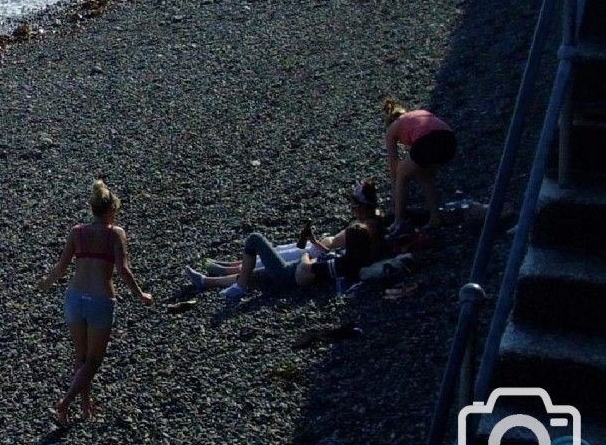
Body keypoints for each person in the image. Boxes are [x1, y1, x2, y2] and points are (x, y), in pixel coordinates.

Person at [37, 180, 153, 426]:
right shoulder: (115, 233)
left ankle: (84, 404)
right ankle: (65, 402)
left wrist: (46, 283)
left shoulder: (77, 231)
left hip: (74, 299)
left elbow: (61, 267)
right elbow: (123, 270)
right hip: (100, 300)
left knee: (81, 357)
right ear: (111, 210)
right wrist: (140, 294)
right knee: (94, 361)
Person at [185, 181, 385, 299]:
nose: (352, 209)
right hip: (297, 269)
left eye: (354, 205)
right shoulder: (359, 251)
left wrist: (307, 252)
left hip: (295, 269)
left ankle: (237, 282)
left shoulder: (343, 260)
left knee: (256, 242)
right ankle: (208, 281)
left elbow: (314, 263)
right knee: (257, 272)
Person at [383, 97, 457, 232]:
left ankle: (398, 221)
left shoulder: (392, 128)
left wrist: (395, 194)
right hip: (450, 140)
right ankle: (435, 218)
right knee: (427, 177)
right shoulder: (417, 114)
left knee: (401, 174)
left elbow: (394, 166)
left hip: (427, 141)